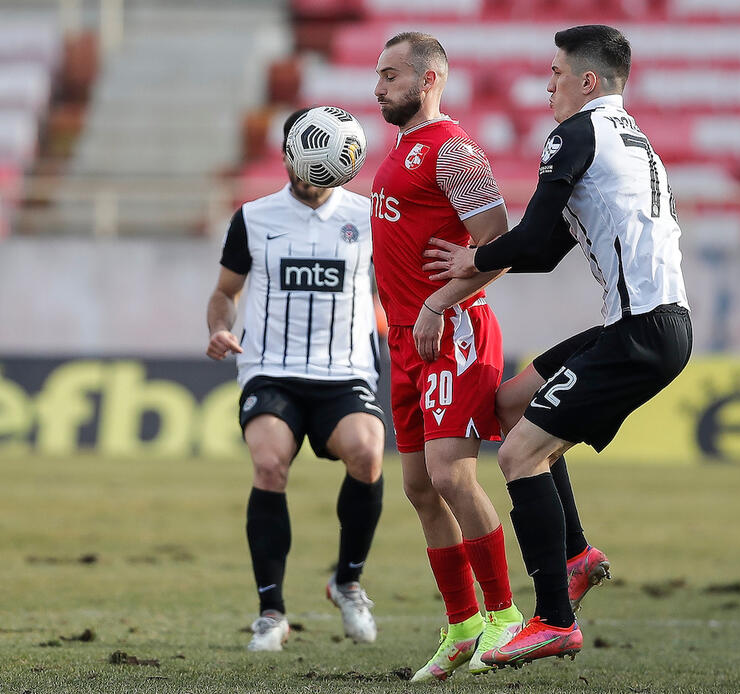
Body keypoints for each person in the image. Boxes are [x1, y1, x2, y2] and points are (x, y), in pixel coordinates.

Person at [423, 24, 693, 667]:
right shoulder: (629, 140)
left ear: (587, 81)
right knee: (513, 404)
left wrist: (472, 259)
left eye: (557, 73)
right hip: (645, 324)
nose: (548, 86)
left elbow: (533, 232)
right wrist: (486, 259)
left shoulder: (576, 133)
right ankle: (574, 556)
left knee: (518, 457)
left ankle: (553, 618)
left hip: (641, 331)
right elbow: (544, 252)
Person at [369, 32, 529, 681]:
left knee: (451, 476)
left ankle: (506, 616)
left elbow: (500, 244)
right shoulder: (400, 150)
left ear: (429, 79)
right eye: (378, 76)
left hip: (454, 332)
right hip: (405, 339)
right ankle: (462, 624)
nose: (378, 87)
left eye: (390, 76)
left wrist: (438, 302)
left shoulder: (454, 152)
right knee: (416, 486)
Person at [206, 107, 385, 652]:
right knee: (268, 464)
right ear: (288, 156)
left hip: (344, 370)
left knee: (368, 454)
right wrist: (218, 328)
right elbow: (224, 293)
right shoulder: (254, 218)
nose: (312, 176)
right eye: (304, 164)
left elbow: (399, 284)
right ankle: (271, 613)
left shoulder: (370, 215)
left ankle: (347, 581)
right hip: (271, 369)